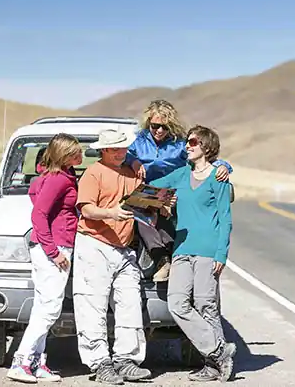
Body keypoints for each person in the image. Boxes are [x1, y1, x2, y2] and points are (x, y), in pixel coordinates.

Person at [150, 125, 235, 382]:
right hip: (182, 249)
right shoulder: (180, 175)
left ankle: (212, 366)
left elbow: (225, 219)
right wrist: (162, 199)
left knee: (206, 304)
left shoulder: (219, 178)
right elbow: (150, 188)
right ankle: (219, 351)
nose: (188, 145)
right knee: (177, 304)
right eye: (187, 142)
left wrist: (221, 254)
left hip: (208, 250)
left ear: (206, 146)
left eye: (193, 142)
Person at [71, 129, 151, 384]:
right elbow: (86, 209)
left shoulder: (131, 173)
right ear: (103, 150)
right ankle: (100, 363)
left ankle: (127, 360)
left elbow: (139, 204)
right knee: (92, 305)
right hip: (95, 245)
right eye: (114, 149)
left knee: (130, 305)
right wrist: (111, 213)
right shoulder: (93, 173)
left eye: (123, 148)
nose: (120, 153)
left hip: (125, 249)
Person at [123, 99, 233, 282]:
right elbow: (122, 155)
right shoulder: (139, 141)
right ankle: (161, 260)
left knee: (172, 214)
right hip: (147, 191)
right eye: (155, 126)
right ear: (148, 122)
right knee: (139, 213)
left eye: (164, 127)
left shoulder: (179, 144)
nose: (159, 131)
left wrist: (224, 166)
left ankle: (178, 260)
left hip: (173, 192)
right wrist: (133, 162)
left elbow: (205, 158)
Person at [7, 134, 83, 383]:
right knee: (50, 308)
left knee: (42, 306)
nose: (80, 156)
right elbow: (39, 215)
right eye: (75, 152)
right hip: (54, 247)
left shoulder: (52, 177)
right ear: (64, 155)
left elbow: (35, 195)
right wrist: (54, 252)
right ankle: (21, 361)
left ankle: (37, 363)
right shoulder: (58, 179)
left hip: (49, 246)